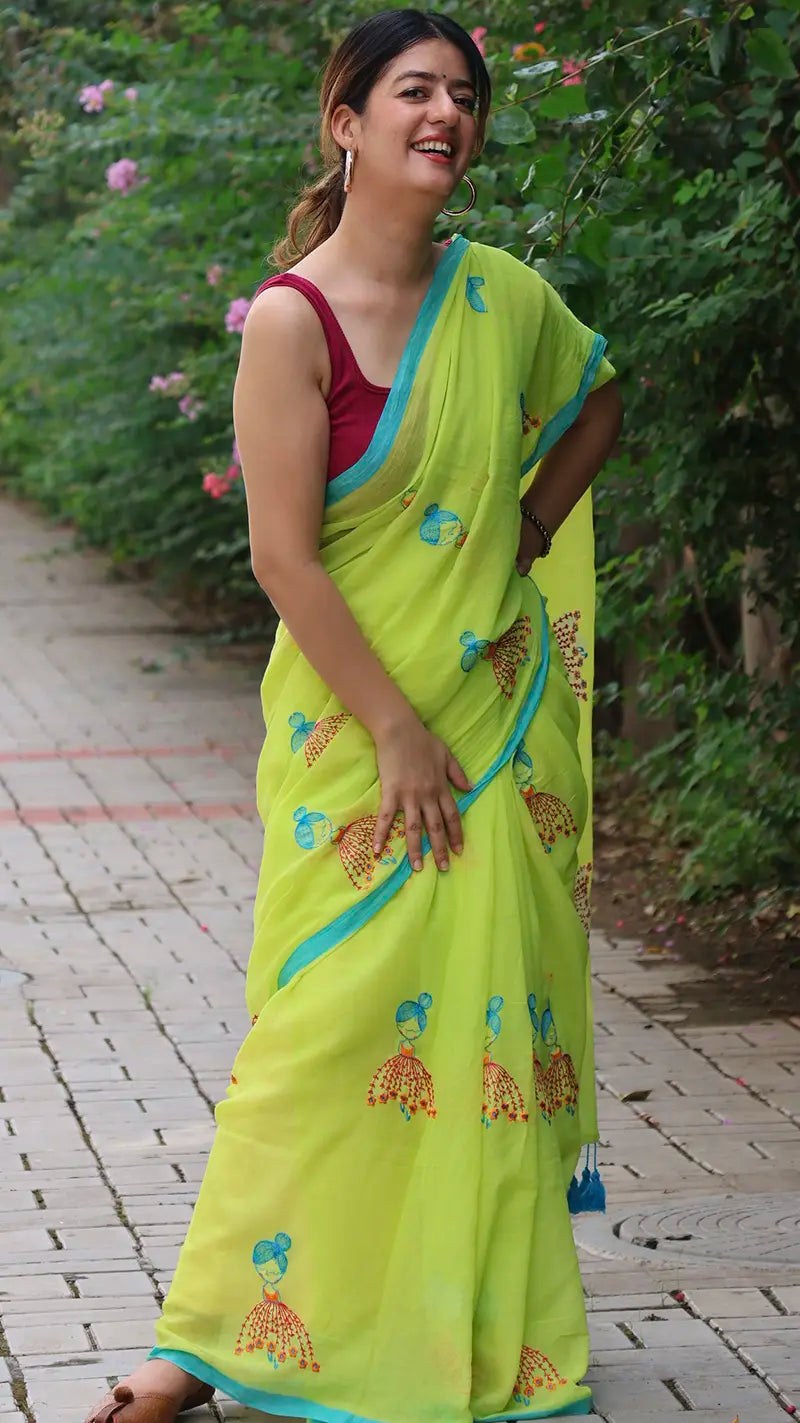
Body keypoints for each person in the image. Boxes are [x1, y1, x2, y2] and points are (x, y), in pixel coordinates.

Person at [86, 9, 623, 1423]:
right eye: (414, 91)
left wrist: (522, 529)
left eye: (465, 96)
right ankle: (204, 1344)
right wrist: (394, 729)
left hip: (490, 716)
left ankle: (471, 1325)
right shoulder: (292, 319)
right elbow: (284, 559)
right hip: (355, 741)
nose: (445, 114)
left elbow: (599, 400)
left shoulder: (502, 295)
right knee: (322, 1033)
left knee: (480, 1034)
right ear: (346, 119)